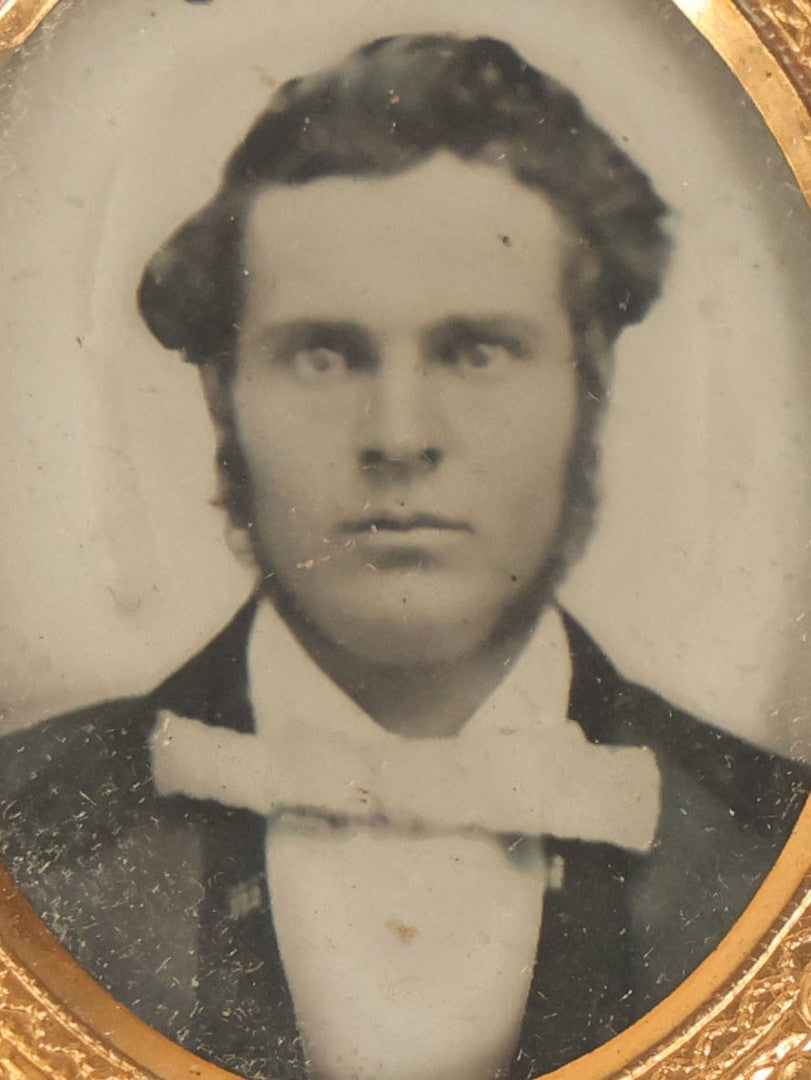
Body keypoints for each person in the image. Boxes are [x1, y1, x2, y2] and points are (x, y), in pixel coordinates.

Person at [0, 33, 807, 1080]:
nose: (399, 434)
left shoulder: (755, 835)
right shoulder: (39, 818)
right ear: (220, 396)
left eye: (476, 350)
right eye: (324, 354)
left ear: (587, 384)